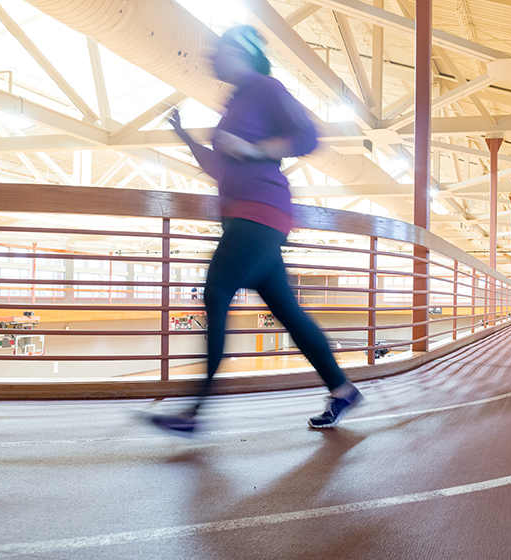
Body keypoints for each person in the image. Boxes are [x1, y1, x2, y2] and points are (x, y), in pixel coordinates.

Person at [148, 25, 362, 433]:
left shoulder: (265, 88)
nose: (212, 56)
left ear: (242, 53)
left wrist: (255, 149)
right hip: (249, 216)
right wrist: (184, 137)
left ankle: (193, 412)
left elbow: (308, 136)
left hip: (259, 215)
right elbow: (220, 168)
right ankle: (341, 389)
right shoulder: (235, 104)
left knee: (215, 292)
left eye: (220, 49)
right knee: (289, 313)